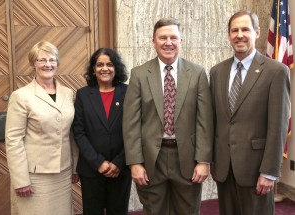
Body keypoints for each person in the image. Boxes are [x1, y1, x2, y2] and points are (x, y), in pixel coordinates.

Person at [123, 18, 213, 215]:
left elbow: (204, 121)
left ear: (181, 41)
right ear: (153, 41)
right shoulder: (139, 74)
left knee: (188, 211)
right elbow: (131, 123)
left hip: (188, 159)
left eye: (174, 37)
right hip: (151, 160)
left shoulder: (197, 73)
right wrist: (135, 163)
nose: (168, 42)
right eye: (162, 37)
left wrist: (203, 161)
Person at [210, 10, 290, 215]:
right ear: (228, 35)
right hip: (224, 169)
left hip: (257, 170)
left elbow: (278, 126)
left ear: (257, 32)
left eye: (245, 29)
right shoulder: (217, 72)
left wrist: (270, 172)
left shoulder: (276, 71)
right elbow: (215, 120)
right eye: (234, 30)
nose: (239, 35)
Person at [5, 41, 79, 215]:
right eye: (42, 60)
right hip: (34, 175)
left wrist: (76, 166)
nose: (48, 64)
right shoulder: (21, 96)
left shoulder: (68, 94)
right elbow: (13, 140)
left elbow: (72, 133)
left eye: (52, 60)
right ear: (33, 63)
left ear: (57, 63)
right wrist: (20, 179)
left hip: (63, 171)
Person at [72, 48, 131, 215]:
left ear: (116, 68)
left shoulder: (128, 92)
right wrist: (98, 162)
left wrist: (119, 162)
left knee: (118, 211)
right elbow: (79, 131)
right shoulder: (83, 94)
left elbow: (135, 130)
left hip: (121, 167)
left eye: (110, 64)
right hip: (92, 168)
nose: (105, 68)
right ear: (93, 69)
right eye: (100, 65)